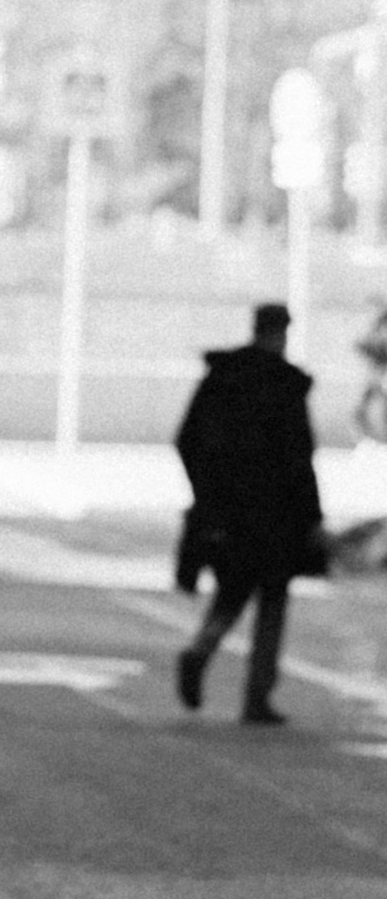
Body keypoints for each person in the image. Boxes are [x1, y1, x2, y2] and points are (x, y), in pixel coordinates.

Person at [175, 299, 327, 727]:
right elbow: (300, 457)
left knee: (232, 590)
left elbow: (187, 439)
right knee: (272, 600)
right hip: (277, 513)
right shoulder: (284, 385)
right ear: (282, 332)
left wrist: (207, 494)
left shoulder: (222, 379)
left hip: (228, 511)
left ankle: (201, 649)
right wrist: (312, 515)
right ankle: (257, 695)